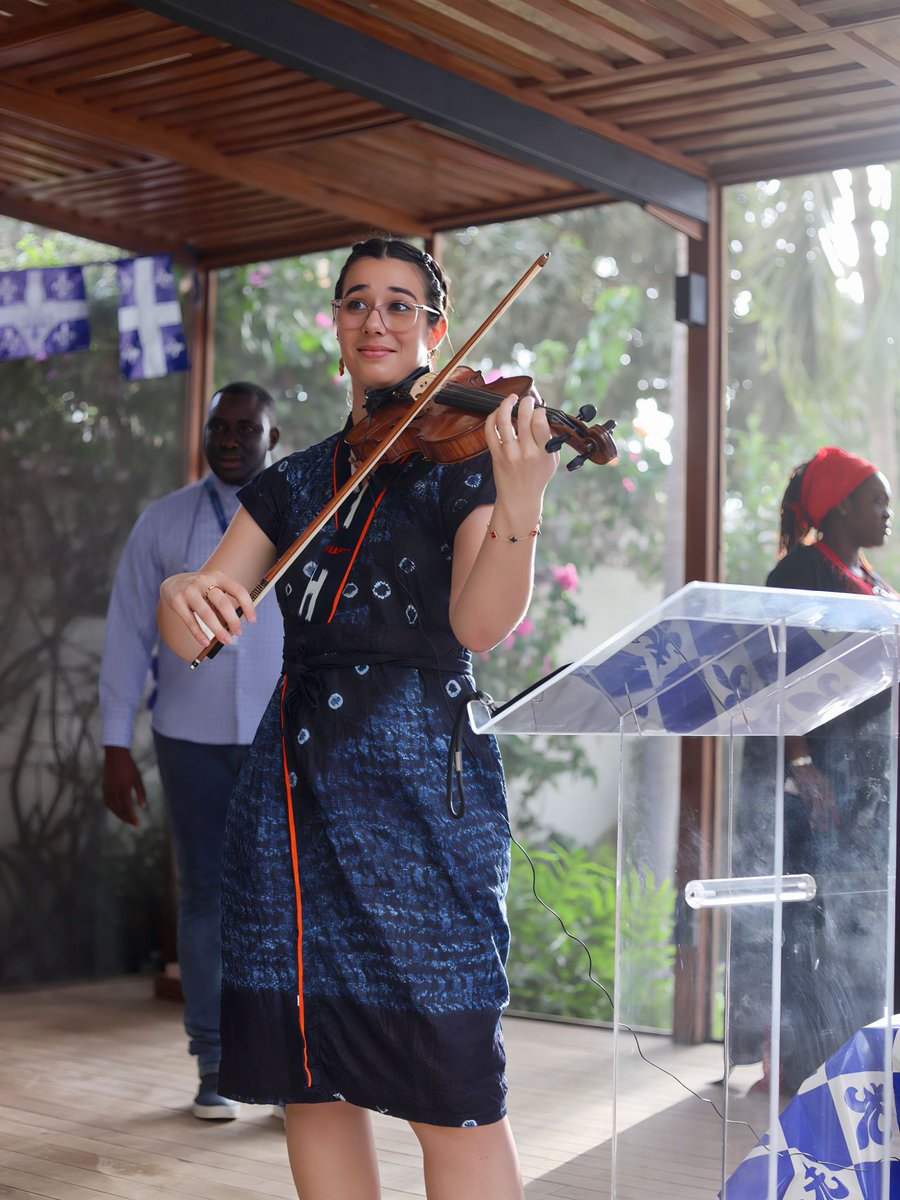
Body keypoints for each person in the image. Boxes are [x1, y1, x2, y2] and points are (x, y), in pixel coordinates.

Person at [157, 237, 559, 1199]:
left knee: (455, 1091)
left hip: (422, 803)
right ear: (336, 324)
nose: (376, 320)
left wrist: (521, 503)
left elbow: (479, 623)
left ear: (436, 329)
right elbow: (199, 620)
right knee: (314, 1085)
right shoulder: (294, 482)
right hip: (291, 806)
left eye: (400, 304)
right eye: (356, 302)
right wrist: (180, 593)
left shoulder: (469, 464)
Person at [99, 382, 283, 1119]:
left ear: (273, 438)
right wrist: (116, 744)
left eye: (246, 428)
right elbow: (127, 634)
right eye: (219, 427)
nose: (230, 439)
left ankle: (283, 1071)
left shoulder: (301, 513)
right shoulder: (163, 521)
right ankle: (214, 1064)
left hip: (278, 737)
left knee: (281, 901)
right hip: (189, 740)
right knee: (204, 897)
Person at [731, 446, 896, 1094]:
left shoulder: (873, 581)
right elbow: (776, 670)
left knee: (857, 920)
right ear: (840, 507)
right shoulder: (800, 571)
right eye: (877, 500)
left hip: (867, 776)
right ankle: (795, 1065)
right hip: (815, 775)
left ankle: (854, 1063)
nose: (887, 512)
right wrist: (799, 761)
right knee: (804, 923)